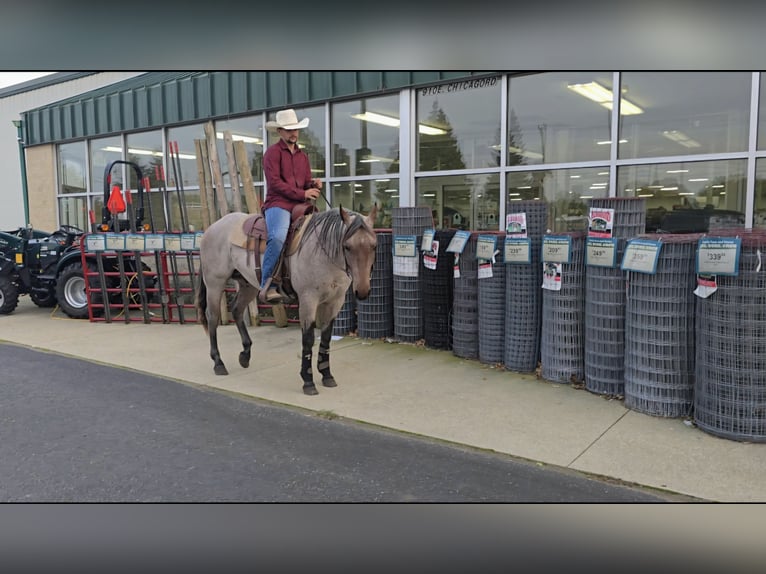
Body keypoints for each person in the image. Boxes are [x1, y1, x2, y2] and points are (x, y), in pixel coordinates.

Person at [259, 108, 322, 303]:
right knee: (277, 237)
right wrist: (303, 193)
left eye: (295, 129)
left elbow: (304, 182)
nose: (293, 133)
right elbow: (275, 183)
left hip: (300, 205)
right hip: (278, 204)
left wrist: (312, 185)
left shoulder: (303, 156)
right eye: (288, 130)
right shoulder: (272, 154)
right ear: (279, 131)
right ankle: (268, 284)